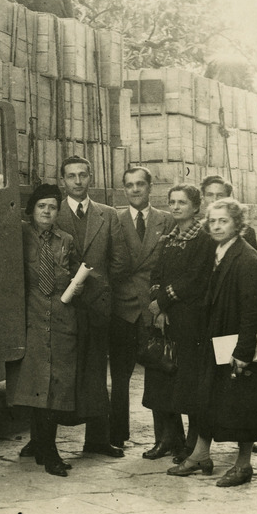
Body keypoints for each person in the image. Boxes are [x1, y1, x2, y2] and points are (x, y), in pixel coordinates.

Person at [167, 198, 257, 487]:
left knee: (243, 404)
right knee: (208, 397)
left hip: (239, 343)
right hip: (218, 339)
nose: (217, 226)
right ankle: (201, 454)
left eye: (223, 221)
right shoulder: (219, 252)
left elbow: (254, 311)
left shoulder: (247, 259)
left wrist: (244, 351)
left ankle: (243, 464)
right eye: (212, 221)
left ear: (237, 224)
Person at [54, 155, 126, 457]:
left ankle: (97, 439)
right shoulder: (52, 212)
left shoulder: (108, 215)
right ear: (63, 181)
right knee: (56, 373)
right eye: (71, 176)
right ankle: (41, 439)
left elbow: (119, 260)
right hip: (63, 306)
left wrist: (96, 285)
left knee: (96, 373)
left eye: (83, 175)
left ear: (91, 177)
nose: (78, 181)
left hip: (96, 305)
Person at [7, 184, 80, 477]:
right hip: (32, 321)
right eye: (41, 206)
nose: (47, 211)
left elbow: (75, 273)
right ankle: (48, 452)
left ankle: (41, 446)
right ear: (31, 210)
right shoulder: (20, 237)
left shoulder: (67, 240)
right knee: (38, 387)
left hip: (61, 322)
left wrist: (79, 281)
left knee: (55, 389)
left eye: (52, 207)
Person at [144, 184, 214, 463]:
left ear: (195, 207)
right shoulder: (167, 238)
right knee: (163, 379)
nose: (175, 207)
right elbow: (156, 275)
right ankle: (168, 438)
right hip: (167, 321)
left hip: (191, 321)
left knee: (189, 383)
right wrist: (159, 310)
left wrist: (163, 303)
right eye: (172, 202)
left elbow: (195, 279)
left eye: (182, 202)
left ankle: (192, 443)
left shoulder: (204, 239)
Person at [112, 167, 175, 453]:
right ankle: (117, 435)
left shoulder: (167, 220)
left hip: (153, 308)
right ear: (123, 189)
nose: (135, 190)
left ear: (151, 187)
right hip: (123, 308)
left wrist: (163, 304)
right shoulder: (113, 218)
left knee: (160, 373)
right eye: (129, 185)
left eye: (140, 184)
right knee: (120, 374)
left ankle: (165, 438)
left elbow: (173, 266)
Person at [200, 175, 257, 250]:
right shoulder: (197, 230)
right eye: (210, 195)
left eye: (220, 195)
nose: (214, 200)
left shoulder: (247, 232)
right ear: (203, 199)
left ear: (228, 198)